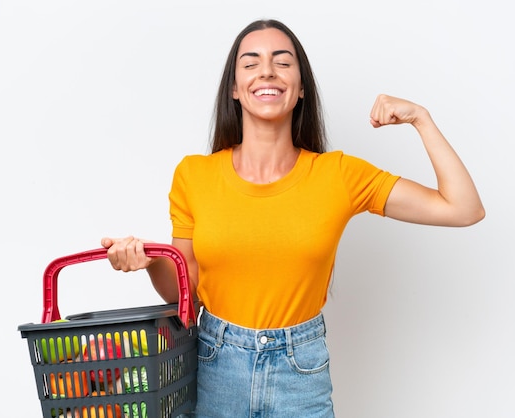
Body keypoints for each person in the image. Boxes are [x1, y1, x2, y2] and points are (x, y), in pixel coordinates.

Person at [101, 19, 484, 418]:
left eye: (282, 62)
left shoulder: (339, 175)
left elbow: (463, 208)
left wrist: (421, 118)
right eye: (251, 63)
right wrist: (148, 264)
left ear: (301, 88)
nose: (266, 71)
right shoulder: (194, 175)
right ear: (234, 88)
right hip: (216, 367)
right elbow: (187, 289)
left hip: (300, 373)